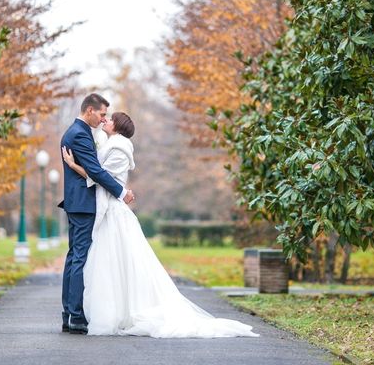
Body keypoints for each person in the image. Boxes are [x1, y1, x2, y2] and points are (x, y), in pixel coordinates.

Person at [62, 111, 258, 338]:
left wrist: (73, 165)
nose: (106, 120)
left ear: (118, 127)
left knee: (117, 261)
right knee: (108, 262)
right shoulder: (110, 143)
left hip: (114, 213)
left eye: (110, 119)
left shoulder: (119, 148)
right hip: (106, 211)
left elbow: (99, 176)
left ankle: (117, 312)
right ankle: (104, 311)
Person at [59, 94, 135, 335]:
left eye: (107, 116)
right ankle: (76, 316)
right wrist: (122, 192)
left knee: (74, 257)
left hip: (78, 203)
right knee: (79, 257)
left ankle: (69, 314)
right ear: (89, 110)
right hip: (83, 204)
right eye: (102, 114)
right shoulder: (80, 134)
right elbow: (96, 171)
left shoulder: (78, 132)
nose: (104, 119)